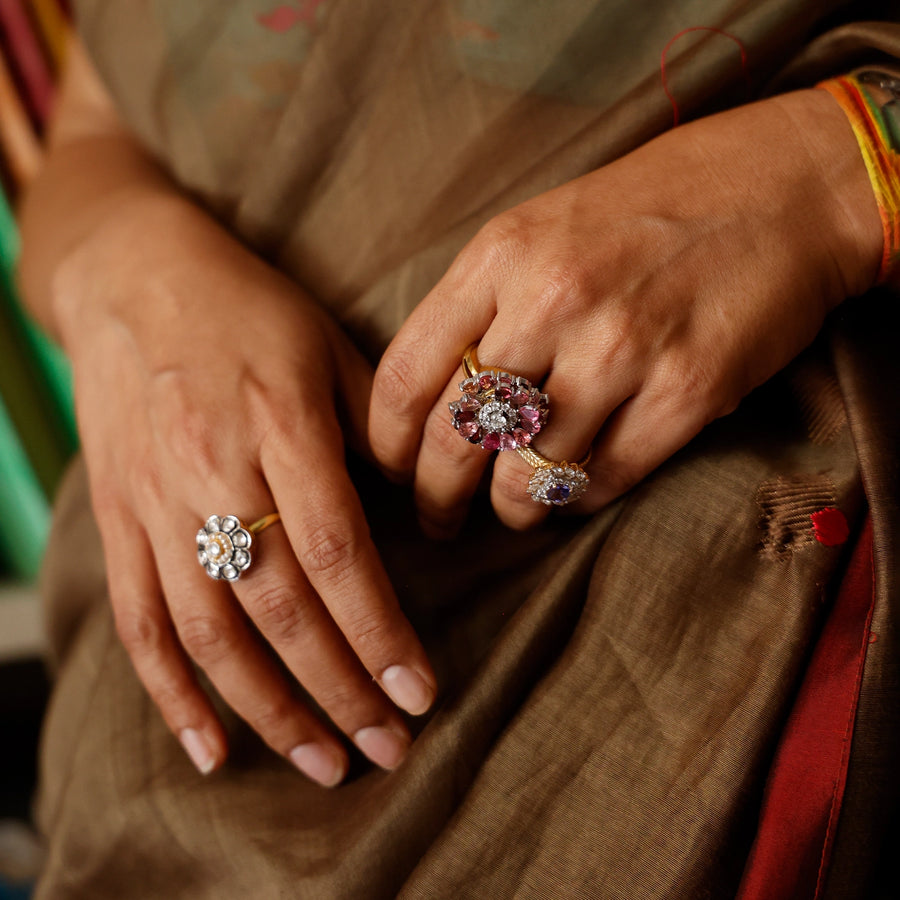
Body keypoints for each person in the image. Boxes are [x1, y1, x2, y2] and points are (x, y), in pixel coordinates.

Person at [17, 1, 900, 896]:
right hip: (191, 678)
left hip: (708, 624)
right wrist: (122, 268)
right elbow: (92, 130)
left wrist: (835, 171)